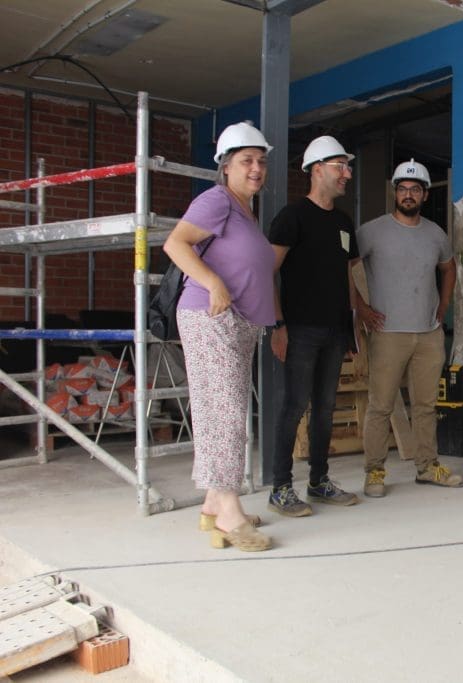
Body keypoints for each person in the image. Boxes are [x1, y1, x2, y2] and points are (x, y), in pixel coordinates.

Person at [163, 121, 275, 551]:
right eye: (246, 161)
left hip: (237, 322)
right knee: (226, 412)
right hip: (211, 317)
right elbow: (176, 244)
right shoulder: (217, 200)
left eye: (261, 161)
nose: (256, 168)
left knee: (221, 409)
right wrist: (212, 282)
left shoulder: (244, 209)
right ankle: (229, 511)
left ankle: (213, 504)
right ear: (226, 166)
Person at [265, 136, 361, 517]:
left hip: (335, 331)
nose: (347, 174)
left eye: (348, 167)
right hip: (300, 330)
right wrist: (278, 325)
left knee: (324, 408)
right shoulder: (292, 217)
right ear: (317, 169)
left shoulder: (343, 222)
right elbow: (267, 273)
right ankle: (280, 488)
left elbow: (347, 276)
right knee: (294, 406)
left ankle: (319, 481)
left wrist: (351, 328)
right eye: (341, 166)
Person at [356, 159, 462, 497]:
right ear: (395, 192)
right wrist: (361, 308)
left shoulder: (435, 234)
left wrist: (443, 305)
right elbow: (344, 267)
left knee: (426, 406)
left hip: (428, 334)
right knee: (381, 406)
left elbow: (449, 268)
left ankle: (427, 467)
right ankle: (374, 472)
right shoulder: (371, 231)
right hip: (387, 333)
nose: (408, 194)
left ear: (425, 194)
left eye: (415, 189)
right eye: (402, 188)